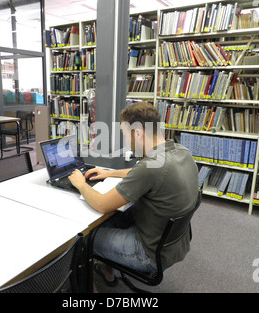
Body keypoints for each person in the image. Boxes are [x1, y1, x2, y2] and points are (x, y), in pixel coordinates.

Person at [68, 102, 199, 289]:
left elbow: (102, 204)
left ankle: (87, 289)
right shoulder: (181, 152)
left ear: (137, 133)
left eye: (125, 135)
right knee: (115, 217)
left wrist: (81, 183)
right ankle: (107, 270)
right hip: (173, 243)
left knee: (81, 239)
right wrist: (110, 173)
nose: (126, 142)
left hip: (147, 253)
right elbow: (143, 172)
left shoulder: (150, 166)